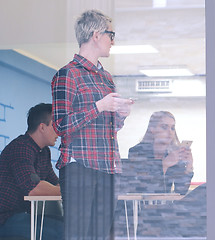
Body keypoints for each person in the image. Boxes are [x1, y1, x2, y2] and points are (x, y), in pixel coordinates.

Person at [51, 9, 133, 239]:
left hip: (108, 167)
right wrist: (99, 106)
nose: (113, 41)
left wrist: (121, 113)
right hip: (80, 167)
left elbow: (111, 127)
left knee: (103, 235)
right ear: (96, 35)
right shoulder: (67, 75)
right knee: (79, 235)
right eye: (110, 34)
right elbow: (60, 126)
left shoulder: (106, 78)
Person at [0, 103, 62, 239]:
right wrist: (65, 191)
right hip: (7, 218)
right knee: (61, 233)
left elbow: (55, 183)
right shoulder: (21, 148)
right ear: (42, 127)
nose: (59, 131)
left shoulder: (44, 152)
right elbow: (34, 189)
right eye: (55, 125)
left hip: (27, 215)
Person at [127, 111, 194, 194]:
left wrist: (189, 167)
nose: (170, 132)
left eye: (172, 128)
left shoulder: (173, 153)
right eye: (164, 127)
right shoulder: (137, 151)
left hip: (165, 204)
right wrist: (164, 165)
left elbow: (181, 190)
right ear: (152, 129)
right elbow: (143, 187)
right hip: (141, 204)